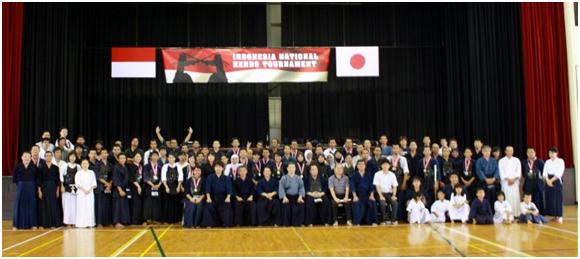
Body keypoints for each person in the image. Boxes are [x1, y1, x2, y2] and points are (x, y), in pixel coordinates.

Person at [12, 151, 39, 230]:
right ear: (22, 157)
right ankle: (16, 225)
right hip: (21, 188)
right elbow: (14, 179)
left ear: (31, 158)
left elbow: (37, 178)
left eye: (28, 156)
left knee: (32, 205)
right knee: (19, 205)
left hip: (31, 188)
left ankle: (33, 224)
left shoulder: (34, 167)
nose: (26, 158)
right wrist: (21, 184)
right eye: (25, 156)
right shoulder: (18, 167)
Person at [203, 162, 233, 227]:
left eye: (220, 167)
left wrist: (228, 197)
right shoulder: (210, 177)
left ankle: (226, 224)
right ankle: (209, 224)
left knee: (226, 206)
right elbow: (207, 189)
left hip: (223, 197)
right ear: (214, 168)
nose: (218, 168)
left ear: (222, 168)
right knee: (208, 205)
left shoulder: (226, 178)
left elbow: (229, 189)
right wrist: (208, 198)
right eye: (216, 167)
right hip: (212, 197)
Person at [37, 151, 62, 228]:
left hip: (53, 187)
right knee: (44, 206)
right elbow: (39, 180)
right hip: (44, 188)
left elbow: (58, 180)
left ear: (52, 157)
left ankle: (54, 223)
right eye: (47, 156)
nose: (48, 157)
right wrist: (39, 191)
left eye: (50, 156)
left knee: (53, 205)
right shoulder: (40, 167)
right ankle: (44, 223)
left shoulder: (56, 168)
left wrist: (57, 190)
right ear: (44, 157)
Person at [351, 160, 377, 226]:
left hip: (367, 196)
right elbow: (352, 186)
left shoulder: (368, 174)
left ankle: (373, 221)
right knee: (356, 204)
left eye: (363, 164)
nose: (361, 166)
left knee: (373, 202)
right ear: (357, 166)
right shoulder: (354, 175)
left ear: (365, 166)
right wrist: (354, 196)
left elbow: (371, 186)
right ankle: (357, 222)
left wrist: (371, 195)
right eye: (359, 164)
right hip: (358, 196)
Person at [279, 162, 306, 227]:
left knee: (301, 204)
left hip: (296, 196)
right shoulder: (284, 178)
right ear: (287, 169)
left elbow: (301, 187)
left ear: (295, 169)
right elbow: (281, 188)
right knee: (285, 205)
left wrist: (300, 197)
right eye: (290, 167)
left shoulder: (298, 178)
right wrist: (284, 197)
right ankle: (286, 224)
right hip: (287, 196)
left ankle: (298, 223)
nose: (291, 169)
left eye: (293, 167)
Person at [543, 147, 565, 223]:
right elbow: (544, 172)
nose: (551, 154)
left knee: (558, 199)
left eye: (553, 153)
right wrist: (547, 180)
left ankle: (560, 216)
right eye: (550, 153)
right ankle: (554, 215)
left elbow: (559, 172)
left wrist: (551, 181)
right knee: (550, 199)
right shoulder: (547, 161)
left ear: (556, 153)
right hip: (548, 180)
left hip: (556, 180)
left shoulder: (560, 161)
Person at [373, 159, 399, 225]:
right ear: (381, 166)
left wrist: (394, 195)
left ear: (389, 166)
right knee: (382, 203)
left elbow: (395, 186)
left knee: (395, 202)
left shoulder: (392, 174)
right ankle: (382, 220)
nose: (385, 166)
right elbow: (377, 186)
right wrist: (381, 196)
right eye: (383, 164)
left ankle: (393, 220)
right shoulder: (377, 174)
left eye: (387, 164)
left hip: (389, 194)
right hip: (380, 193)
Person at [498, 146, 521, 217]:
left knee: (515, 197)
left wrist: (513, 179)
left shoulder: (517, 160)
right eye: (508, 150)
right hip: (505, 182)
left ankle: (516, 214)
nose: (510, 152)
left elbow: (518, 171)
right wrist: (508, 179)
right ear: (505, 151)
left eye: (511, 150)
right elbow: (501, 172)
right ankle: (506, 215)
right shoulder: (501, 161)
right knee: (506, 197)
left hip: (515, 182)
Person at [388, 144, 409, 221]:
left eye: (397, 148)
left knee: (400, 201)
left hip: (400, 182)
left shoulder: (403, 159)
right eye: (394, 148)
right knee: (391, 201)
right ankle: (392, 217)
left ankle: (400, 218)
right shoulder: (388, 158)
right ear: (392, 149)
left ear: (399, 149)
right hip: (390, 184)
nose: (395, 149)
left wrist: (404, 183)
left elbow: (406, 172)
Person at [475, 146, 500, 210]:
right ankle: (485, 212)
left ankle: (493, 212)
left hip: (493, 180)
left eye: (488, 151)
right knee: (485, 197)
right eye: (485, 151)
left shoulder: (494, 160)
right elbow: (479, 171)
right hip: (483, 181)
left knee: (493, 197)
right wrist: (485, 179)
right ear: (482, 152)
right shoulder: (479, 161)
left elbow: (497, 170)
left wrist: (494, 178)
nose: (487, 152)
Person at [522, 147, 545, 214]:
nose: (530, 153)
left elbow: (543, 173)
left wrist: (536, 175)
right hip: (528, 185)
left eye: (532, 152)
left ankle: (538, 214)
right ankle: (529, 214)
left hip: (537, 185)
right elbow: (523, 173)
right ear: (526, 153)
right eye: (528, 152)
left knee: (538, 200)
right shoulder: (524, 162)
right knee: (528, 200)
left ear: (535, 153)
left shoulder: (540, 161)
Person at [162, 153, 183, 224]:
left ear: (175, 158)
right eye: (169, 158)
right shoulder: (165, 166)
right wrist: (166, 187)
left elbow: (180, 177)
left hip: (176, 185)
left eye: (172, 158)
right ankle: (167, 220)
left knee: (176, 203)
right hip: (167, 185)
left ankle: (176, 220)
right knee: (167, 203)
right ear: (168, 159)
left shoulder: (178, 166)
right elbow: (163, 177)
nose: (171, 159)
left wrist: (178, 187)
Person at [142, 151, 163, 224]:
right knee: (148, 203)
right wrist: (152, 185)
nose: (155, 157)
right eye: (153, 155)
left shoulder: (160, 167)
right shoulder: (146, 166)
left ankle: (155, 219)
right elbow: (146, 177)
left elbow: (162, 177)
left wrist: (158, 185)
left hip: (158, 188)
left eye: (156, 155)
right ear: (150, 157)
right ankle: (147, 219)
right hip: (149, 187)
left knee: (156, 203)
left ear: (158, 157)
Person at [75, 159, 97, 228]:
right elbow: (77, 183)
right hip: (81, 193)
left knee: (89, 207)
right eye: (83, 163)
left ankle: (90, 223)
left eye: (86, 163)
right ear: (81, 165)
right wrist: (84, 190)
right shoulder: (78, 173)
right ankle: (81, 224)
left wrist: (89, 190)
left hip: (90, 193)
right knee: (81, 208)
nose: (85, 165)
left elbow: (94, 183)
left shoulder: (91, 172)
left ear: (88, 164)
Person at [95, 150, 113, 227]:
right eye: (102, 153)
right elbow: (97, 176)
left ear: (108, 154)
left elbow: (112, 175)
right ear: (100, 155)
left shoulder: (110, 164)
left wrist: (110, 184)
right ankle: (99, 222)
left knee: (108, 205)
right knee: (100, 205)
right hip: (100, 187)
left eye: (106, 153)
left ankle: (107, 222)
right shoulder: (98, 164)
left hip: (108, 188)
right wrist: (106, 183)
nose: (104, 155)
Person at [62, 152, 80, 227]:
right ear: (68, 157)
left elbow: (80, 177)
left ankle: (74, 221)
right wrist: (62, 186)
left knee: (75, 205)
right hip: (66, 188)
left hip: (75, 189)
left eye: (74, 156)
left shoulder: (78, 166)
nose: (72, 158)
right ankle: (67, 222)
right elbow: (61, 176)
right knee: (67, 205)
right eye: (71, 156)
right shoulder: (65, 165)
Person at [112, 153, 130, 228]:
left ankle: (123, 221)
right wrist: (120, 190)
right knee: (117, 206)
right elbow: (116, 179)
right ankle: (116, 222)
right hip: (118, 190)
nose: (122, 160)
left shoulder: (125, 167)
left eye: (124, 158)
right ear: (118, 159)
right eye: (121, 158)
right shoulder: (116, 167)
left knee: (123, 205)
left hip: (125, 189)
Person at [128, 153, 144, 225]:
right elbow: (131, 178)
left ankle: (139, 221)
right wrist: (138, 186)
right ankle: (134, 221)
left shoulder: (141, 166)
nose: (138, 158)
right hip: (134, 187)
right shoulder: (131, 166)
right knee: (134, 204)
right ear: (133, 158)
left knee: (140, 204)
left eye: (139, 156)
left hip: (140, 186)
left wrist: (141, 187)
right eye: (136, 156)